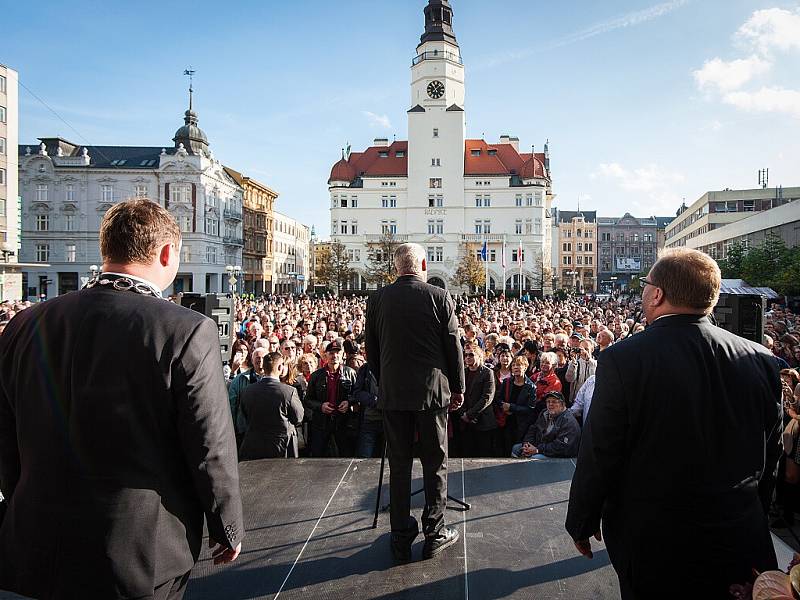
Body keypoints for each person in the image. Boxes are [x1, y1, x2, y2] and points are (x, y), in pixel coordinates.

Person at [0, 199, 243, 599]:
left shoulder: (25, 323)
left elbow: (5, 432)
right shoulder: (184, 330)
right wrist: (227, 526)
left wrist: (21, 502)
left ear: (105, 248)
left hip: (33, 542)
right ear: (167, 254)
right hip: (136, 554)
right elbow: (210, 446)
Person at [566, 248, 782, 599]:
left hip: (656, 542)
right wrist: (753, 515)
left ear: (658, 294)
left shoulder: (623, 359)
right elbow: (770, 456)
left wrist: (582, 519)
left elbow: (601, 450)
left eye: (645, 284)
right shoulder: (762, 359)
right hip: (739, 536)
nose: (642, 292)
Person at [366, 243, 464, 562]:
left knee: (399, 464)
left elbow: (372, 352)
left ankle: (400, 536)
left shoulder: (378, 299)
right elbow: (453, 347)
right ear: (423, 263)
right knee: (435, 463)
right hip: (432, 394)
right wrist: (458, 387)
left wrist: (387, 382)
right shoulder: (438, 297)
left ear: (396, 267)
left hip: (394, 395)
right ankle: (434, 532)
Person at [239, 352, 305, 460]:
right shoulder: (289, 391)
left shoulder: (247, 391)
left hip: (254, 444)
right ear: (280, 367)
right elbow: (298, 418)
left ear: (263, 367)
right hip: (281, 446)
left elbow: (245, 416)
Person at [304, 340, 358, 457]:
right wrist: (320, 406)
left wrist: (349, 402)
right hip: (321, 423)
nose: (335, 356)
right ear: (325, 355)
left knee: (346, 456)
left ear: (343, 354)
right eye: (331, 353)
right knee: (318, 456)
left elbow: (357, 394)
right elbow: (308, 400)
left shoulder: (351, 373)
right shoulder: (316, 376)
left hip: (343, 422)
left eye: (338, 352)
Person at [511, 391, 580, 459]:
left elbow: (561, 447)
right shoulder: (544, 413)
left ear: (562, 405)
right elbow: (533, 429)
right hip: (541, 447)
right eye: (548, 401)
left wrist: (537, 450)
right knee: (516, 448)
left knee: (534, 458)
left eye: (554, 402)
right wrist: (527, 444)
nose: (550, 404)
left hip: (560, 455)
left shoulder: (568, 422)